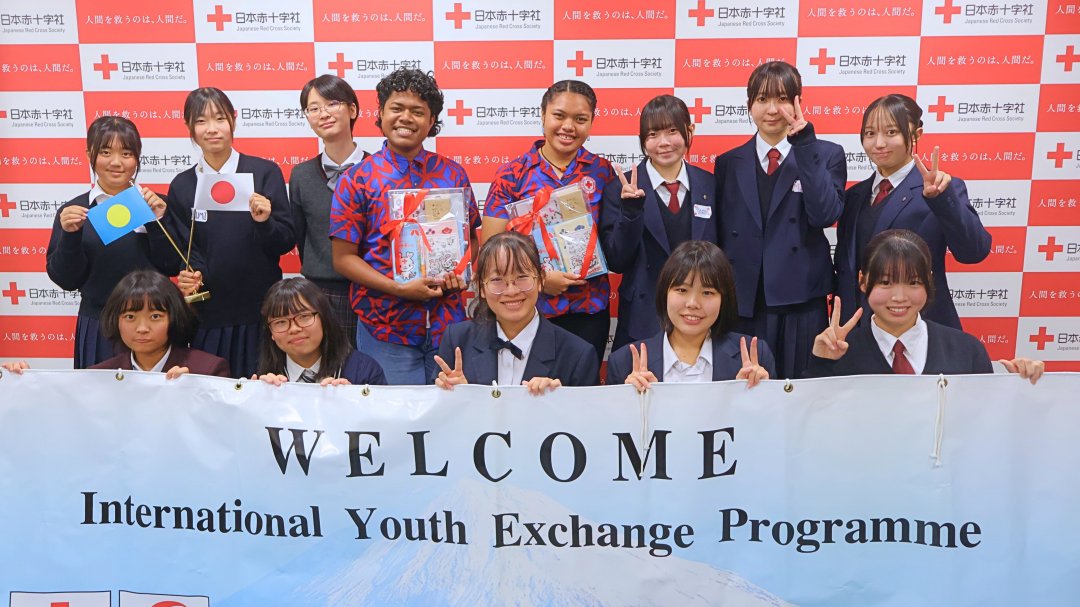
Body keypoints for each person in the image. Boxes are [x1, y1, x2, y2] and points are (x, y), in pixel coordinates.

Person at [329, 68, 477, 385]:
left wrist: (459, 272)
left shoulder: (453, 175)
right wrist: (398, 288)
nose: (406, 118)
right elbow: (343, 258)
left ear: (432, 120)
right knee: (394, 412)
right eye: (397, 108)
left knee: (451, 410)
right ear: (381, 113)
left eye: (418, 111)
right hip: (385, 327)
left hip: (448, 325)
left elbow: (471, 240)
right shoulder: (357, 179)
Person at [713, 61, 846, 380]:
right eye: (762, 99)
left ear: (799, 102)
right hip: (745, 303)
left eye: (782, 98)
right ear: (750, 105)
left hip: (802, 301)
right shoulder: (729, 162)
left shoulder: (825, 154)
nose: (772, 109)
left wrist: (805, 146)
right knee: (748, 389)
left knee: (799, 388)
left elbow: (825, 214)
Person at [481, 80, 617, 364]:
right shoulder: (512, 175)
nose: (569, 126)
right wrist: (541, 279)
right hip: (525, 309)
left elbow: (614, 240)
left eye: (580, 119)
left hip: (588, 310)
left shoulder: (602, 172)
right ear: (542, 115)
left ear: (591, 123)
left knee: (582, 386)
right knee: (528, 387)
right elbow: (491, 250)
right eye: (559, 116)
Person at [167, 87, 295, 379]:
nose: (212, 129)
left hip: (260, 313)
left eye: (220, 119)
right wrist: (190, 274)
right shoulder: (183, 184)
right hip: (207, 315)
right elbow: (183, 249)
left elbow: (285, 240)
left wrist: (264, 221)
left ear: (233, 120)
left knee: (264, 389)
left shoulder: (264, 172)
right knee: (212, 392)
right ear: (189, 127)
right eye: (201, 121)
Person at [834, 94, 990, 328]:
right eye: (870, 133)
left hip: (919, 328)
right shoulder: (853, 197)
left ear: (916, 134)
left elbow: (974, 252)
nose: (879, 143)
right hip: (858, 333)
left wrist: (941, 200)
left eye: (891, 132)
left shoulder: (941, 189)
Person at [805, 230, 1044, 383]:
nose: (899, 297)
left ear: (929, 281)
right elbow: (814, 422)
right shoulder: (839, 353)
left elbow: (986, 422)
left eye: (913, 283)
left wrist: (1022, 385)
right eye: (886, 283)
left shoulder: (967, 351)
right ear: (863, 281)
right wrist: (822, 364)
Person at [46, 116, 177, 368]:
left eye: (126, 153)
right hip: (99, 325)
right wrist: (71, 235)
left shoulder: (158, 205)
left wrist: (156, 221)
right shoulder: (75, 211)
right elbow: (66, 279)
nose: (116, 162)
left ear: (137, 157)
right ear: (90, 154)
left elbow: (173, 265)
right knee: (98, 392)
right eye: (106, 152)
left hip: (152, 325)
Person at [600, 94, 718, 352]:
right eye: (653, 134)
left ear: (689, 131)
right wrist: (631, 211)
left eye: (672, 131)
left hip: (698, 314)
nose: (663, 143)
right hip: (642, 316)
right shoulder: (619, 189)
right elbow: (616, 261)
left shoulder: (710, 185)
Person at [434, 231, 599, 394]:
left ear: (540, 280)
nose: (511, 291)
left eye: (522, 277)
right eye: (497, 280)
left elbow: (585, 411)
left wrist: (557, 401)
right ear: (481, 287)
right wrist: (459, 395)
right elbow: (438, 408)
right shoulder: (457, 340)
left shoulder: (577, 355)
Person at [606, 241, 773, 390]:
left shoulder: (755, 357)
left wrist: (758, 395)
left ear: (724, 299)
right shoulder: (624, 363)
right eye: (682, 290)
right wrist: (629, 402)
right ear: (664, 293)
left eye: (707, 292)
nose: (693, 303)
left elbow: (772, 414)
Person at [3, 270, 230, 378]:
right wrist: (26, 384)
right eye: (130, 317)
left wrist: (193, 391)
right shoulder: (98, 377)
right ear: (116, 321)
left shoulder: (207, 370)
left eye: (155, 317)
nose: (142, 328)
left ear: (174, 318)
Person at [290, 75, 368, 342]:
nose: (323, 114)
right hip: (319, 293)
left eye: (332, 104)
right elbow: (301, 235)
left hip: (374, 290)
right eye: (313, 108)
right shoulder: (301, 175)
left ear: (352, 109)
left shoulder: (379, 170)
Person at [254, 277, 386, 386]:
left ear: (324, 318)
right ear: (271, 333)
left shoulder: (364, 371)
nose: (294, 329)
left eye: (304, 317)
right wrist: (259, 400)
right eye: (281, 322)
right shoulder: (267, 380)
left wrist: (351, 400)